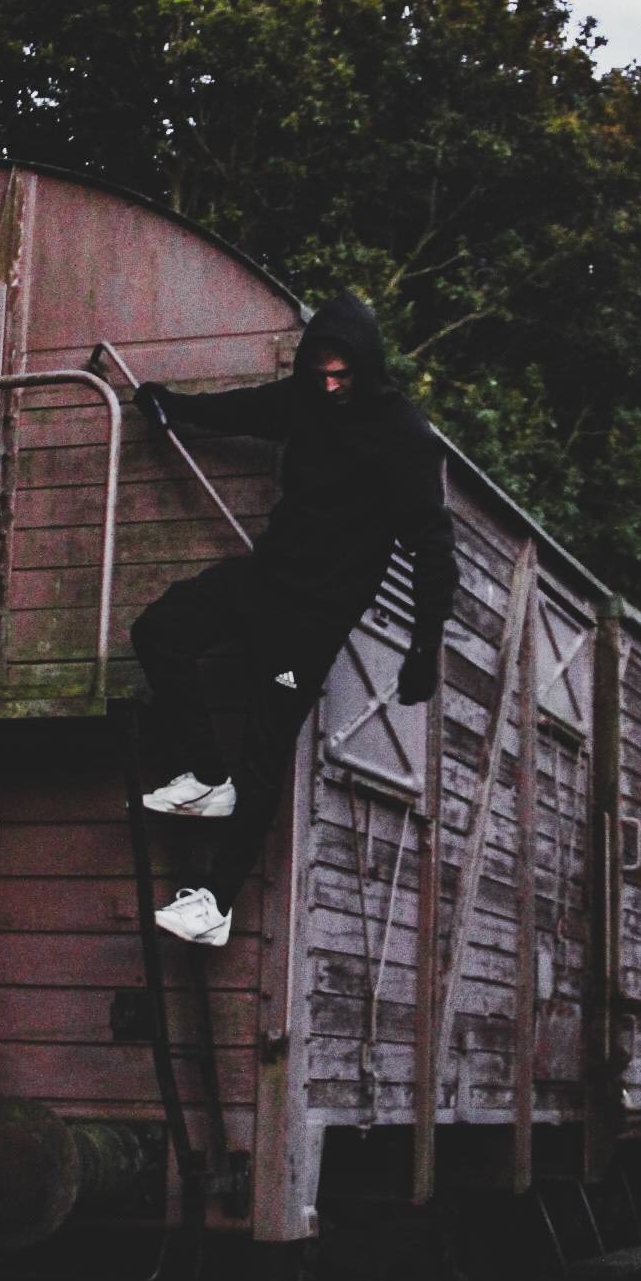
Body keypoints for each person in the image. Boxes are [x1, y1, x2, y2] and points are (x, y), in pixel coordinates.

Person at [129, 291, 456, 945]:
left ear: (367, 365)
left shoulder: (403, 436)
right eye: (321, 373)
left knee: (264, 751)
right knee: (160, 631)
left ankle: (215, 906)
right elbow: (246, 409)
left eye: (343, 375)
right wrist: (171, 406)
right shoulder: (305, 400)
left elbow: (433, 546)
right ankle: (206, 775)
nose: (331, 386)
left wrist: (425, 647)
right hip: (266, 579)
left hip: (314, 619)